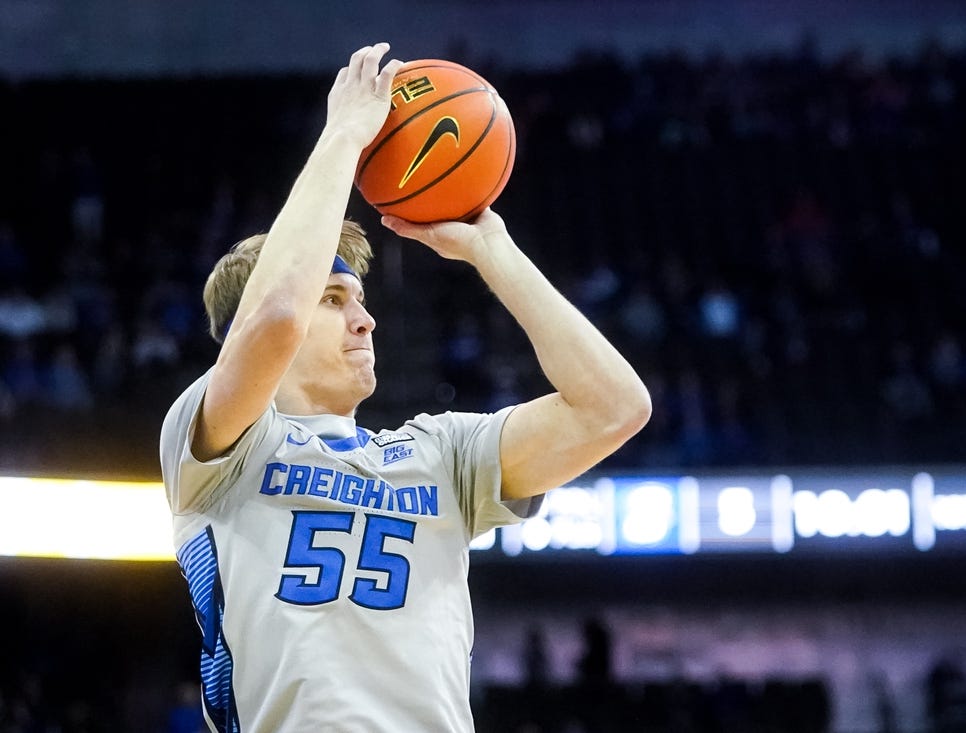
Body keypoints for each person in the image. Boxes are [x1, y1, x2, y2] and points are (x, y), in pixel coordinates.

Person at [159, 43, 650, 732]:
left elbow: (616, 407)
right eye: (333, 300)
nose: (365, 319)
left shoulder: (440, 454)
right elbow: (273, 317)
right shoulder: (218, 447)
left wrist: (493, 249)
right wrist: (344, 134)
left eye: (358, 299)